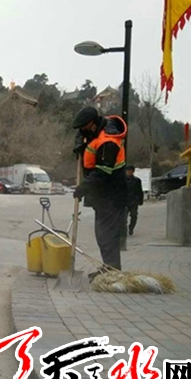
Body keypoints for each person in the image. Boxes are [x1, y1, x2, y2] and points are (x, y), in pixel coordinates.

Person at [71, 106, 128, 280]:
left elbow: (102, 173)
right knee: (102, 233)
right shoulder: (95, 130)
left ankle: (112, 270)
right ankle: (110, 266)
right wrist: (79, 145)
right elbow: (82, 136)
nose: (82, 130)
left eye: (84, 127)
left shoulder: (108, 143)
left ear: (93, 123)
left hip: (112, 195)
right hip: (103, 195)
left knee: (106, 234)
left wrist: (83, 188)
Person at [126, 165, 144, 236]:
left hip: (133, 201)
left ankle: (131, 228)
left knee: (134, 215)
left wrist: (140, 200)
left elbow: (140, 191)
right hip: (124, 201)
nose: (129, 172)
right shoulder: (122, 180)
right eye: (128, 171)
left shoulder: (137, 180)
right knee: (123, 218)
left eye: (130, 171)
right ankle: (123, 229)